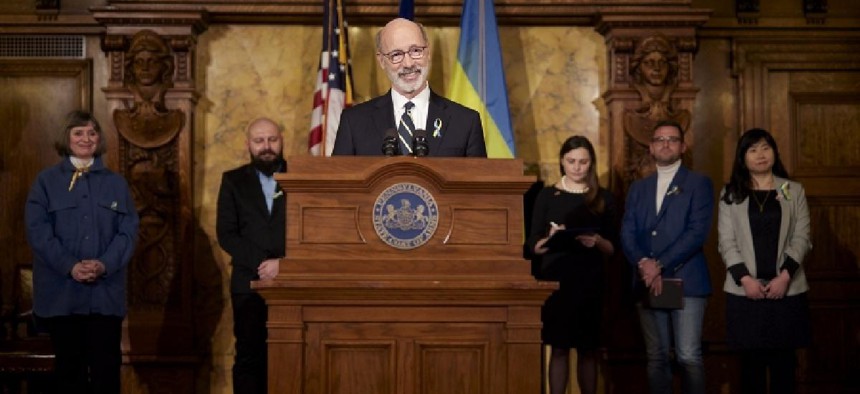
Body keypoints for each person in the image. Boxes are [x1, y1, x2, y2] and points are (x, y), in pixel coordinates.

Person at [24, 110, 139, 394]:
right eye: (78, 132)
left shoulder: (116, 184)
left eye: (92, 133)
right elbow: (38, 232)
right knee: (68, 378)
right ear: (67, 137)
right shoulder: (45, 182)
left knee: (106, 375)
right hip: (61, 298)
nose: (86, 138)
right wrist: (70, 266)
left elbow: (128, 232)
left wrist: (104, 265)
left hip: (105, 297)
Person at [620, 120, 713, 394]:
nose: (665, 143)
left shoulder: (699, 183)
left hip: (687, 281)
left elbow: (697, 232)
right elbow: (627, 232)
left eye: (672, 139)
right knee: (657, 357)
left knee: (688, 356)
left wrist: (659, 264)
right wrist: (644, 264)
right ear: (650, 147)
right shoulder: (639, 188)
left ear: (683, 146)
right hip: (648, 281)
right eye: (660, 139)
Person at [717, 128, 812, 394]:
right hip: (745, 292)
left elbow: (802, 236)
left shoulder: (790, 189)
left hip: (786, 289)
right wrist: (745, 279)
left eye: (766, 147)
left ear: (774, 152)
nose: (761, 155)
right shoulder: (732, 194)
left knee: (784, 368)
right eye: (753, 149)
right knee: (750, 370)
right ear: (742, 157)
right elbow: (726, 242)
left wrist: (784, 276)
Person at [527, 136, 616, 394]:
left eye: (583, 162)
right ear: (562, 162)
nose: (577, 167)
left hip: (590, 282)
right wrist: (551, 238)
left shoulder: (603, 197)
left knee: (588, 349)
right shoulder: (546, 195)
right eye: (571, 161)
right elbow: (532, 244)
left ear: (591, 164)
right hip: (556, 280)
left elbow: (613, 248)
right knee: (559, 348)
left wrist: (597, 240)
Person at [332, 18, 487, 157]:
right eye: (396, 55)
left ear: (428, 51)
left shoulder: (465, 122)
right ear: (381, 61)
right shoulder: (354, 122)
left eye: (415, 51)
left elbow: (478, 186)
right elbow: (338, 185)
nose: (408, 63)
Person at [216, 117, 287, 394]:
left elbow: (312, 227)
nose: (266, 147)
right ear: (248, 144)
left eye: (272, 139)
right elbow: (226, 233)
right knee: (249, 356)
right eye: (259, 141)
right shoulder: (233, 180)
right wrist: (262, 264)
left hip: (291, 283)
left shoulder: (303, 177)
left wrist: (284, 265)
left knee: (289, 354)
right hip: (248, 284)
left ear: (281, 141)